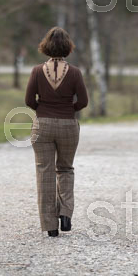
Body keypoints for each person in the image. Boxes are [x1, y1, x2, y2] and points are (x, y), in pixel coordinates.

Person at [24, 26, 88, 237]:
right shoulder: (75, 72)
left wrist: (43, 110)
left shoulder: (36, 71)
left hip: (42, 125)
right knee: (66, 169)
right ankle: (66, 214)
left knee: (45, 172)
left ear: (46, 46)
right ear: (68, 47)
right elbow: (83, 102)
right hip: (68, 125)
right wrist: (68, 110)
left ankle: (50, 226)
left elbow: (28, 100)